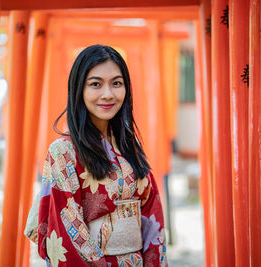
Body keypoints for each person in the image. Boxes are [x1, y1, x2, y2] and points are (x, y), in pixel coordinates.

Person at [25, 44, 167, 266]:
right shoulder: (63, 152)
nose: (108, 94)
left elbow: (152, 215)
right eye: (95, 84)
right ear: (79, 89)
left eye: (116, 84)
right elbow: (68, 225)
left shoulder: (130, 146)